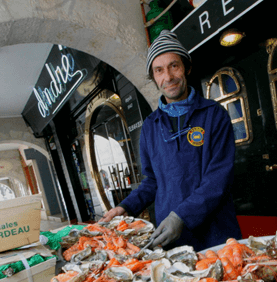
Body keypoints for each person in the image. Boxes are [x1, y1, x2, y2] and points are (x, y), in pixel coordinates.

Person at [100, 30, 242, 251]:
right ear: (154, 78)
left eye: (174, 66)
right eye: (159, 70)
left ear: (186, 67)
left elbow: (218, 179)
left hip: (216, 233)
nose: (168, 77)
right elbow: (151, 181)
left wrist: (182, 216)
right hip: (171, 238)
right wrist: (126, 207)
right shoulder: (150, 126)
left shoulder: (214, 115)